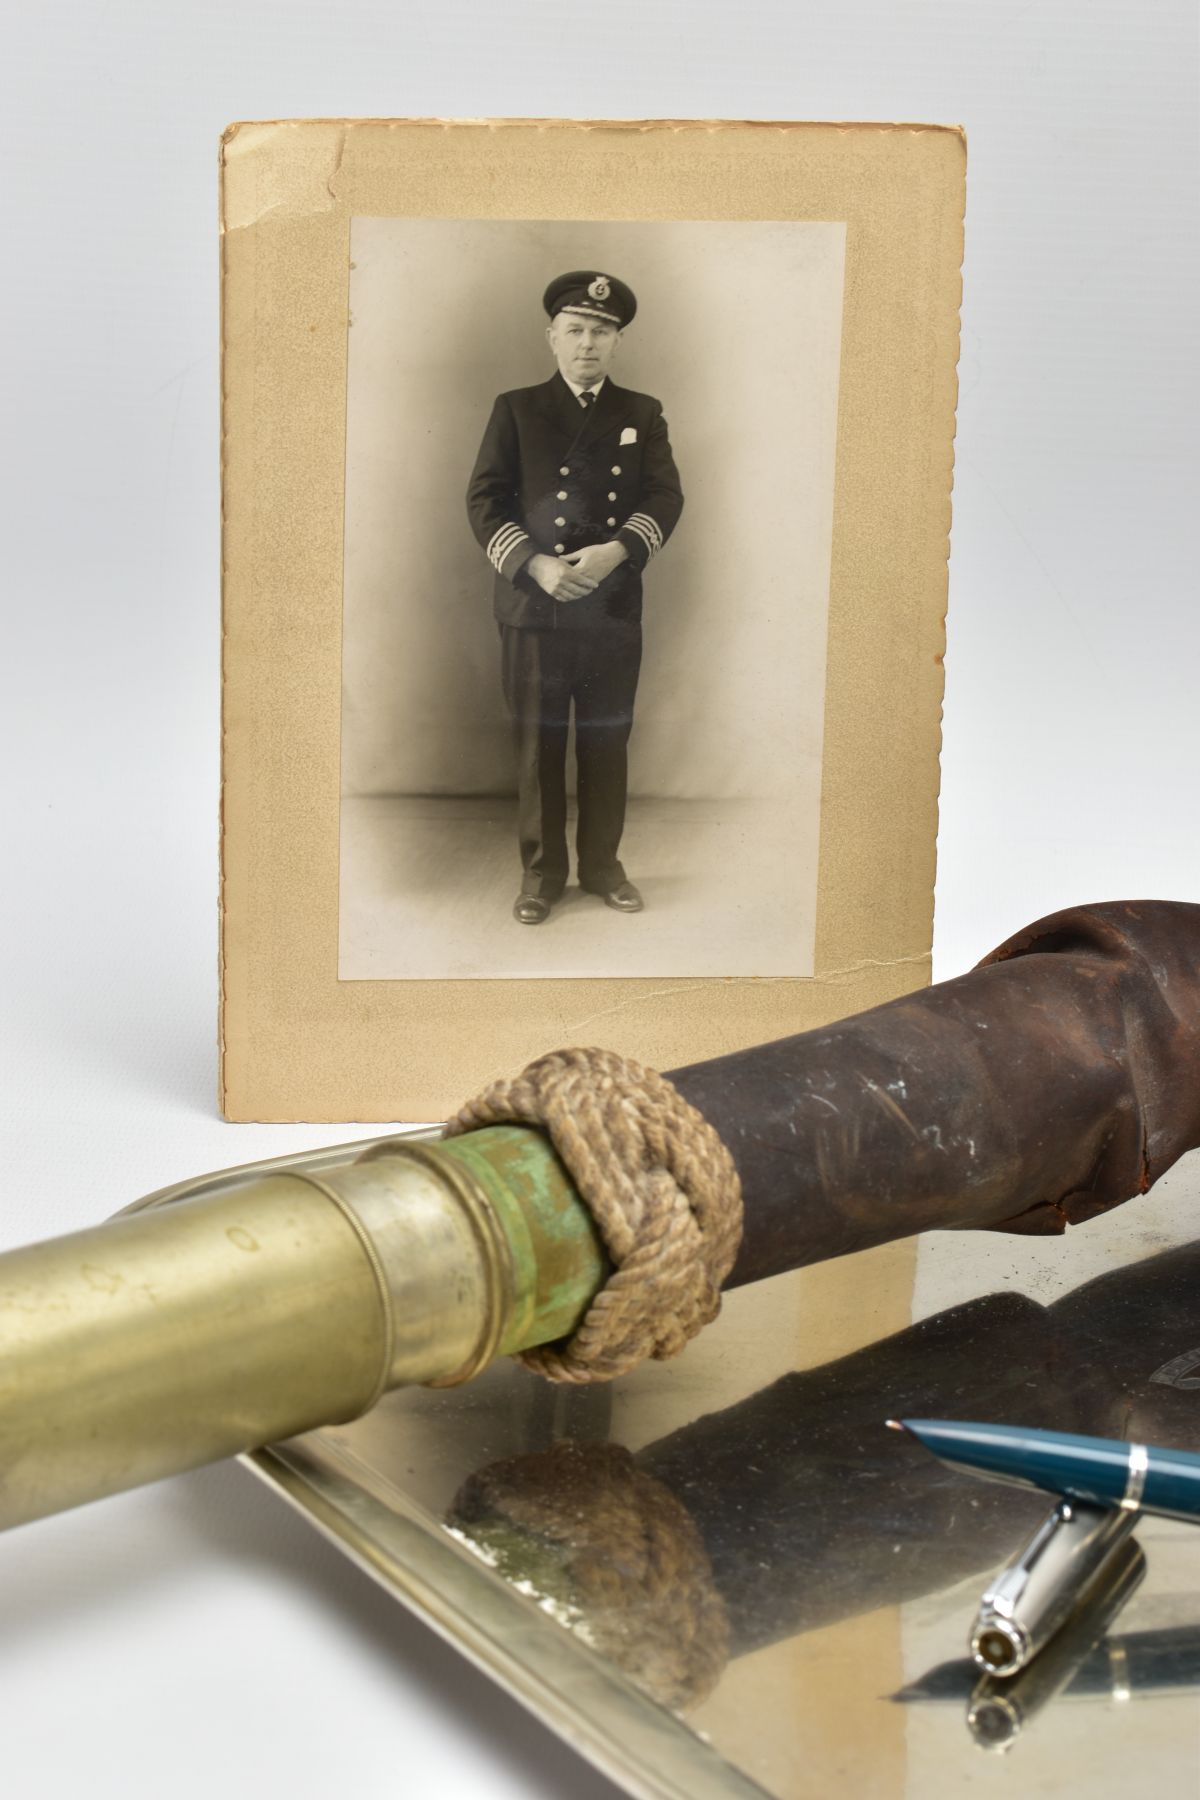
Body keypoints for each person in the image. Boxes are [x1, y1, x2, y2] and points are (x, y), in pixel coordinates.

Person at [466, 271, 684, 925]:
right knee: (537, 745)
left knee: (606, 741)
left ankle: (602, 868)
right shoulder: (517, 408)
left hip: (611, 605)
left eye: (602, 332)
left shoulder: (641, 413)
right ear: (553, 338)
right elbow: (483, 500)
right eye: (577, 331)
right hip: (535, 606)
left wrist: (619, 550)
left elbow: (665, 496)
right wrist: (535, 566)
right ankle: (540, 876)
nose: (588, 344)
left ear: (616, 341)